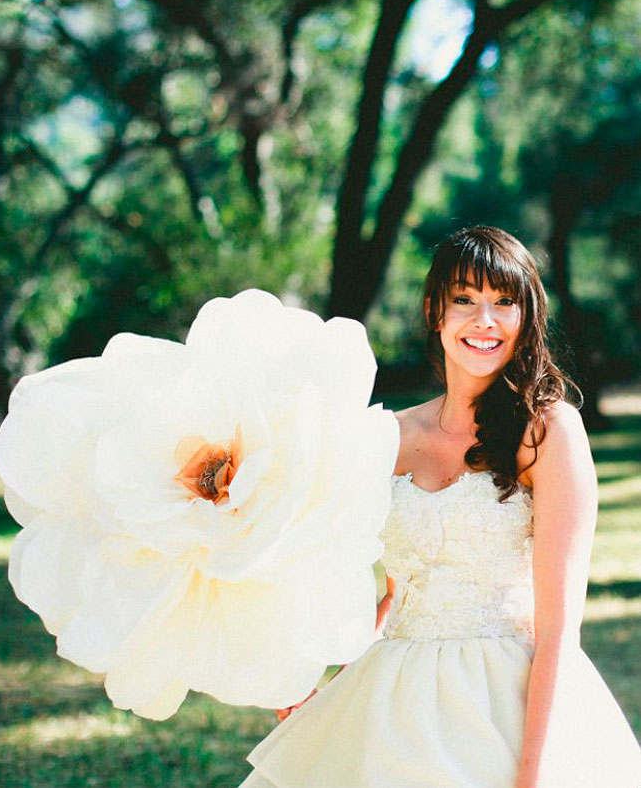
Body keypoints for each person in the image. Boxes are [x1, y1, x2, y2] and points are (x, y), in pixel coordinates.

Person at [239, 226, 641, 788]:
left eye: (504, 303)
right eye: (465, 301)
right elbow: (388, 589)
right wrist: (311, 676)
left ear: (527, 318)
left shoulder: (547, 430)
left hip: (503, 695)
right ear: (435, 311)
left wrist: (533, 778)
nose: (485, 321)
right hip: (392, 692)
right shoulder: (389, 436)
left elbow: (558, 632)